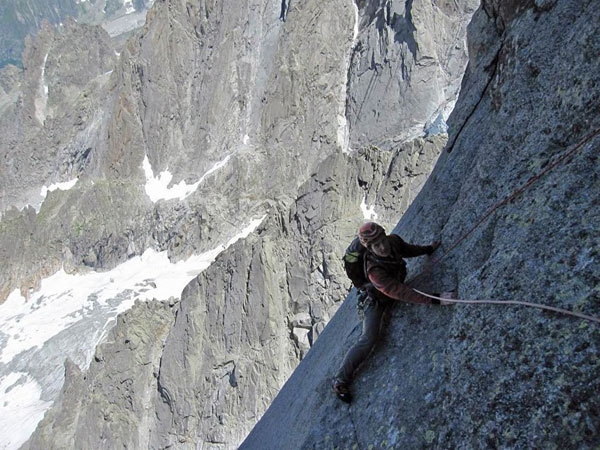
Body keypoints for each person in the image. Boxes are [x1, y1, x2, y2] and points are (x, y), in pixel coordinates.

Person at [332, 221, 449, 403]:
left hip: (390, 287)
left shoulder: (393, 241)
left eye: (382, 241)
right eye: (376, 245)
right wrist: (436, 299)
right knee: (369, 338)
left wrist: (429, 249)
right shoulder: (373, 271)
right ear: (369, 249)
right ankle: (340, 380)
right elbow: (399, 292)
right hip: (375, 301)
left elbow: (408, 250)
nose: (382, 247)